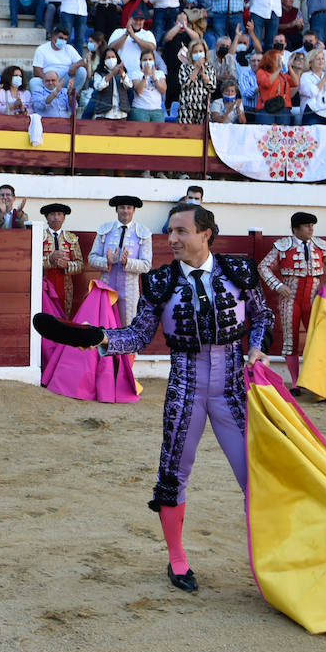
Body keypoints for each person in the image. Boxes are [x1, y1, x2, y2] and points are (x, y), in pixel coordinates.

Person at [41, 204, 272, 593]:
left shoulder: (239, 270)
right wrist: (98, 338)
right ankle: (178, 559)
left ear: (206, 234)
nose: (173, 239)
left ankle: (269, 556)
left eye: (182, 231)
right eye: (170, 232)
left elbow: (262, 315)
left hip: (234, 387)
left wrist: (258, 348)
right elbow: (138, 335)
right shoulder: (161, 280)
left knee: (257, 475)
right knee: (172, 474)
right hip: (185, 387)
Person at [258, 211, 326, 391]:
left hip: (313, 299)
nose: (311, 229)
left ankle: (316, 381)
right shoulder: (283, 246)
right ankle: (295, 382)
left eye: (312, 225)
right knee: (291, 340)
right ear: (296, 228)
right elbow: (263, 266)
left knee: (318, 339)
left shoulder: (320, 245)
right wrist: (278, 286)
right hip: (290, 299)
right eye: (307, 225)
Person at [88, 195, 153, 324]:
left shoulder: (143, 233)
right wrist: (107, 262)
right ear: (116, 210)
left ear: (134, 210)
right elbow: (92, 258)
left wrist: (127, 262)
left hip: (129, 290)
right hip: (106, 286)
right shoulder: (105, 230)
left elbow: (146, 265)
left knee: (127, 325)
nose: (125, 211)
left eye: (129, 208)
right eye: (122, 207)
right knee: (105, 324)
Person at [40, 203, 84, 318]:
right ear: (46, 217)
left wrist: (67, 265)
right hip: (43, 284)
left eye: (59, 214)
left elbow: (80, 264)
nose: (56, 217)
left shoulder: (72, 238)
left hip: (66, 285)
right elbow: (30, 262)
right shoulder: (38, 236)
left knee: (64, 315)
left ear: (64, 217)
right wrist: (49, 260)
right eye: (52, 214)